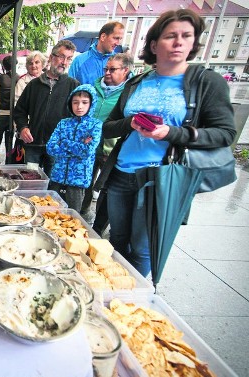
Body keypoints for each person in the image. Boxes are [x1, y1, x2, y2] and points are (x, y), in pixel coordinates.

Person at [96, 9, 236, 278]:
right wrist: (131, 123)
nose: (179, 42)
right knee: (115, 240)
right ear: (153, 45)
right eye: (171, 36)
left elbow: (225, 133)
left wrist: (171, 133)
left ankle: (130, 301)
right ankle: (112, 289)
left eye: (187, 36)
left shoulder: (205, 82)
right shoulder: (137, 82)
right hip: (122, 174)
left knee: (142, 248)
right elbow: (108, 127)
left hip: (162, 178)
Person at [80, 53, 134, 231]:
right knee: (86, 181)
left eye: (113, 69)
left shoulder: (130, 92)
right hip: (90, 145)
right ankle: (82, 214)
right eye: (106, 69)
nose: (107, 73)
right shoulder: (95, 87)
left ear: (125, 70)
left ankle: (102, 226)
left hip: (112, 148)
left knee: (108, 188)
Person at [14, 40, 79, 176]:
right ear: (51, 57)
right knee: (30, 180)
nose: (64, 62)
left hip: (57, 147)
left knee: (53, 183)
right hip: (33, 144)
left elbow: (78, 117)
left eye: (69, 59)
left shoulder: (73, 86)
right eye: (61, 56)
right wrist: (23, 127)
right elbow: (19, 111)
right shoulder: (33, 85)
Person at [46, 84, 102, 212]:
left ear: (91, 104)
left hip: (78, 180)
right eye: (75, 102)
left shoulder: (95, 125)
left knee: (72, 215)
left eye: (84, 102)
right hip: (57, 176)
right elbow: (50, 148)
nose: (79, 106)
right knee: (52, 212)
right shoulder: (63, 123)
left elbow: (86, 151)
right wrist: (79, 145)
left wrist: (64, 142)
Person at [68, 21, 124, 85]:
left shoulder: (120, 63)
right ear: (103, 37)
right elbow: (69, 88)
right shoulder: (79, 61)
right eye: (116, 38)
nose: (118, 43)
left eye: (120, 39)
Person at [0, 55, 14, 156]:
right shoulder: (19, 78)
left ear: (3, 66)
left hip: (0, 113)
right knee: (9, 144)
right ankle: (9, 163)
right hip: (12, 115)